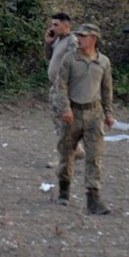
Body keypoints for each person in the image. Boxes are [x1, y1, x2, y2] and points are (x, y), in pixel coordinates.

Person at [51, 23, 115, 215]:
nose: (78, 39)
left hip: (94, 114)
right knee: (66, 153)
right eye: (77, 35)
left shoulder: (103, 62)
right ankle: (64, 190)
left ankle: (93, 199)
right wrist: (65, 108)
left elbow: (107, 89)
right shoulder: (70, 59)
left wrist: (108, 113)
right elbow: (61, 85)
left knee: (94, 156)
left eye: (83, 36)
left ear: (93, 39)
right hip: (73, 113)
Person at [43, 13, 84, 169]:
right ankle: (76, 150)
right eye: (52, 24)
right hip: (55, 86)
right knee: (57, 120)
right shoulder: (57, 40)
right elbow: (49, 57)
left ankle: (65, 157)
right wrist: (48, 43)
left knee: (63, 121)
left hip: (64, 87)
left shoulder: (72, 41)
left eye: (56, 24)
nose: (53, 27)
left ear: (66, 25)